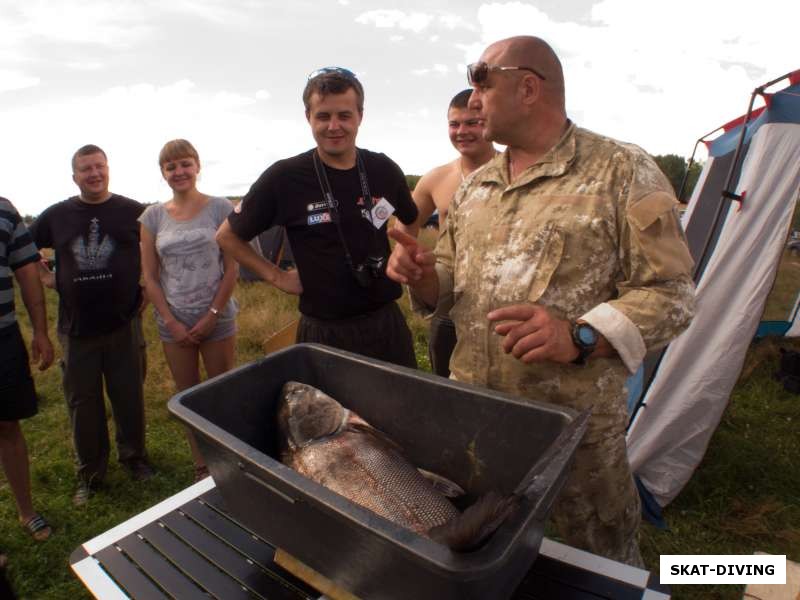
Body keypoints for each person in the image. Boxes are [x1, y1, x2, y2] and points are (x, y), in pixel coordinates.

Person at [387, 36, 695, 567]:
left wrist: (580, 335)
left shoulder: (620, 170)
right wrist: (420, 276)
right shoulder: (475, 186)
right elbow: (450, 279)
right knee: (492, 556)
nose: (473, 94)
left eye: (483, 78)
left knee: (595, 567)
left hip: (570, 436)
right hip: (478, 421)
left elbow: (672, 294)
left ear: (529, 87)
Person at [217, 67, 418, 367]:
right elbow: (227, 236)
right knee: (331, 414)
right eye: (323, 116)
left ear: (360, 116)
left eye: (344, 116)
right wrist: (277, 276)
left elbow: (411, 217)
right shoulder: (284, 177)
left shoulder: (382, 169)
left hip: (385, 323)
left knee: (399, 411)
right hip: (324, 332)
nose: (334, 126)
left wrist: (402, 249)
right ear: (308, 117)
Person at [30, 145, 152, 506]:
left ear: (108, 169)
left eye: (99, 167)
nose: (94, 174)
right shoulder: (57, 216)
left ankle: (134, 458)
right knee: (83, 404)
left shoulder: (134, 212)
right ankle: (90, 472)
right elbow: (25, 247)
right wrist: (44, 274)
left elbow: (155, 248)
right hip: (77, 328)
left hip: (123, 323)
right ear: (75, 176)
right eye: (86, 169)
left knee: (129, 395)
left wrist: (147, 282)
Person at [140, 139, 238, 481]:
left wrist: (212, 315)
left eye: (185, 164)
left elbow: (233, 268)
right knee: (188, 397)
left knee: (223, 393)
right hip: (174, 325)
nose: (179, 172)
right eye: (171, 167)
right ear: (163, 173)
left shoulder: (220, 208)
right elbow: (150, 277)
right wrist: (171, 321)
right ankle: (201, 465)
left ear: (197, 166)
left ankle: (231, 460)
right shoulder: (151, 217)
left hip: (217, 320)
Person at [396, 89, 496, 377]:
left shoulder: (515, 172)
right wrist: (407, 257)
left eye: (472, 122)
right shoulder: (437, 178)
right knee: (446, 388)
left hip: (498, 306)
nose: (462, 131)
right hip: (448, 303)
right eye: (454, 124)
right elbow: (405, 226)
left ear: (488, 122)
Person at [0, 197, 55, 551]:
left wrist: (40, 330)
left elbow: (28, 274)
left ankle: (25, 510)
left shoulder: (4, 210)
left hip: (2, 337)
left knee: (8, 425)